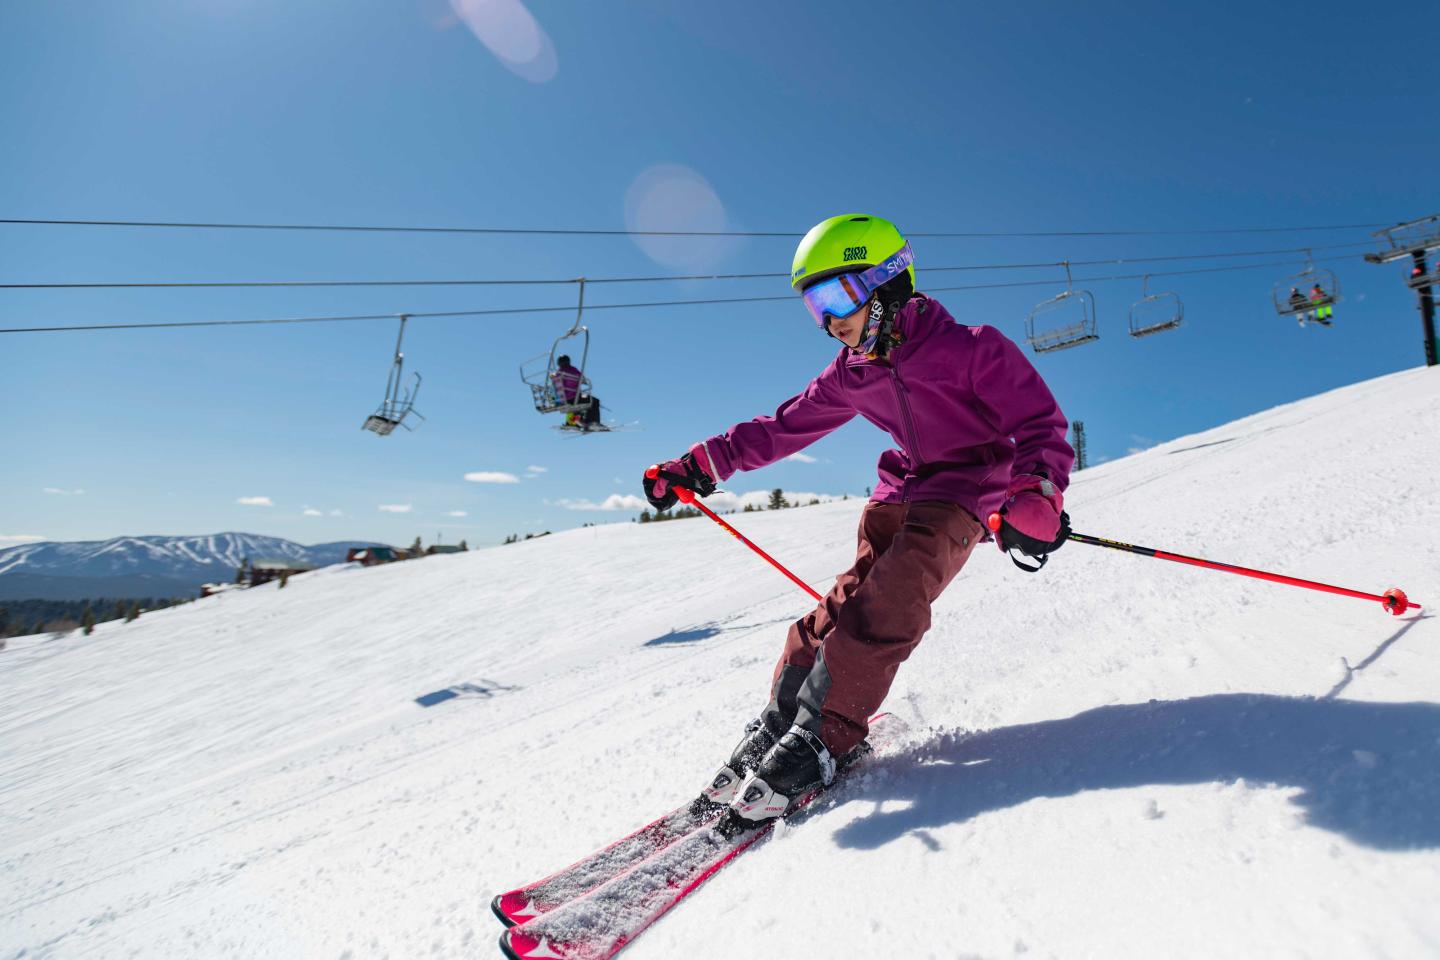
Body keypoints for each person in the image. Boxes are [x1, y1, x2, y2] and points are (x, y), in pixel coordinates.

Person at [642, 214, 1073, 822]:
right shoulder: (853, 372)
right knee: (841, 605)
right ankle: (786, 719)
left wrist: (1037, 495)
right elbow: (781, 426)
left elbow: (1040, 427)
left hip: (964, 493)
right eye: (812, 305)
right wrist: (700, 463)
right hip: (898, 490)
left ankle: (827, 734)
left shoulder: (973, 349)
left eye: (836, 295)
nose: (829, 319)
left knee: (889, 602)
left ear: (888, 279)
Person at [551, 355, 602, 429]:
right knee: (594, 401)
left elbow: (554, 382)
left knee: (578, 405)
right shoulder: (573, 370)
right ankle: (592, 422)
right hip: (573, 397)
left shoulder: (557, 373)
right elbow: (583, 380)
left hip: (562, 399)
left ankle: (572, 422)